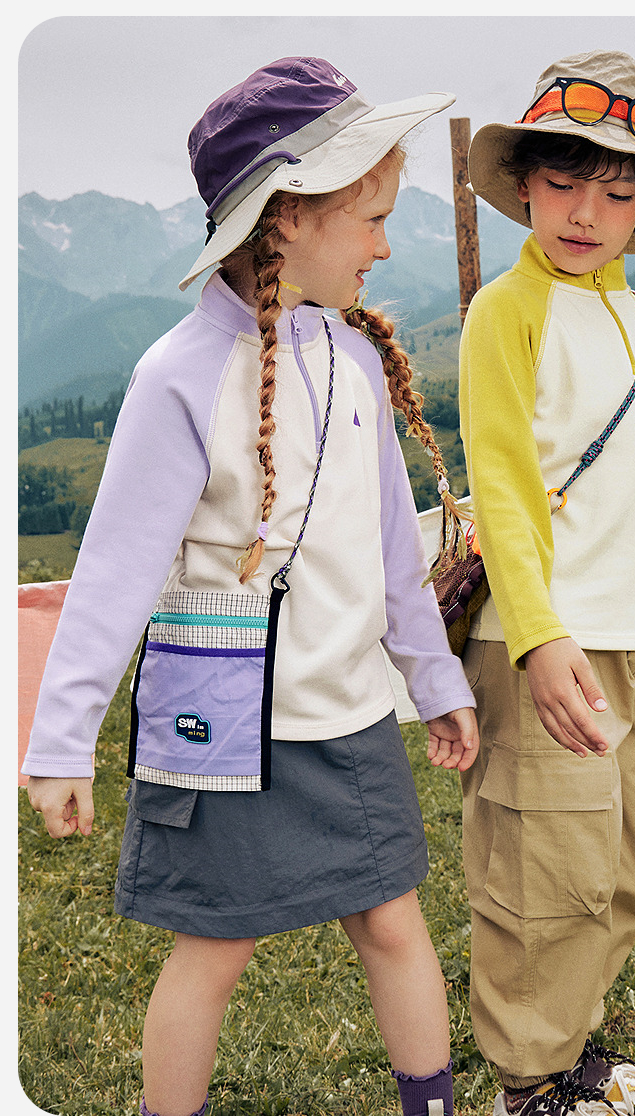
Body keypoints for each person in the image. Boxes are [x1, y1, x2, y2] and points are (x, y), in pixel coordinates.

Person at [22, 57, 479, 1116]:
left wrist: (434, 680)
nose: (385, 244)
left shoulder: (353, 362)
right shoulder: (175, 378)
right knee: (214, 952)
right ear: (287, 219)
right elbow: (115, 573)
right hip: (220, 721)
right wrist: (59, 742)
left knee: (394, 922)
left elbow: (390, 553)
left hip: (348, 712)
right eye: (372, 218)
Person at [458, 50, 635, 1116]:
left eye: (616, 194)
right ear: (525, 184)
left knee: (623, 865)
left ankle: (573, 1055)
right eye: (564, 183)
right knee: (545, 873)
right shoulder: (506, 311)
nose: (584, 213)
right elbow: (503, 486)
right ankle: (529, 1085)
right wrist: (537, 634)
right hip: (546, 643)